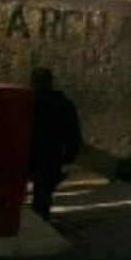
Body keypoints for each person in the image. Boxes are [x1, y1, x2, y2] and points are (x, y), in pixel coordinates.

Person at [27, 68, 82, 220]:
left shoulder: (26, 101)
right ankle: (40, 220)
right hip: (51, 153)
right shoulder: (62, 103)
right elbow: (73, 133)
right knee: (43, 193)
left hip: (29, 151)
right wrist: (70, 155)